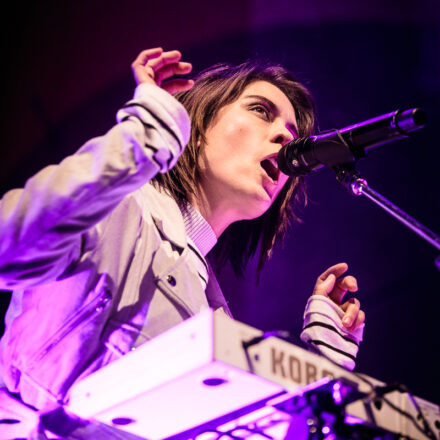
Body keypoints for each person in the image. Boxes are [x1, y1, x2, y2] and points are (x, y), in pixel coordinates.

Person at [0, 48, 365, 438]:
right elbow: (9, 245)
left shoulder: (213, 317)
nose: (285, 137)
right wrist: (144, 137)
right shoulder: (120, 210)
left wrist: (322, 373)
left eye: (294, 136)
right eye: (261, 110)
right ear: (196, 122)